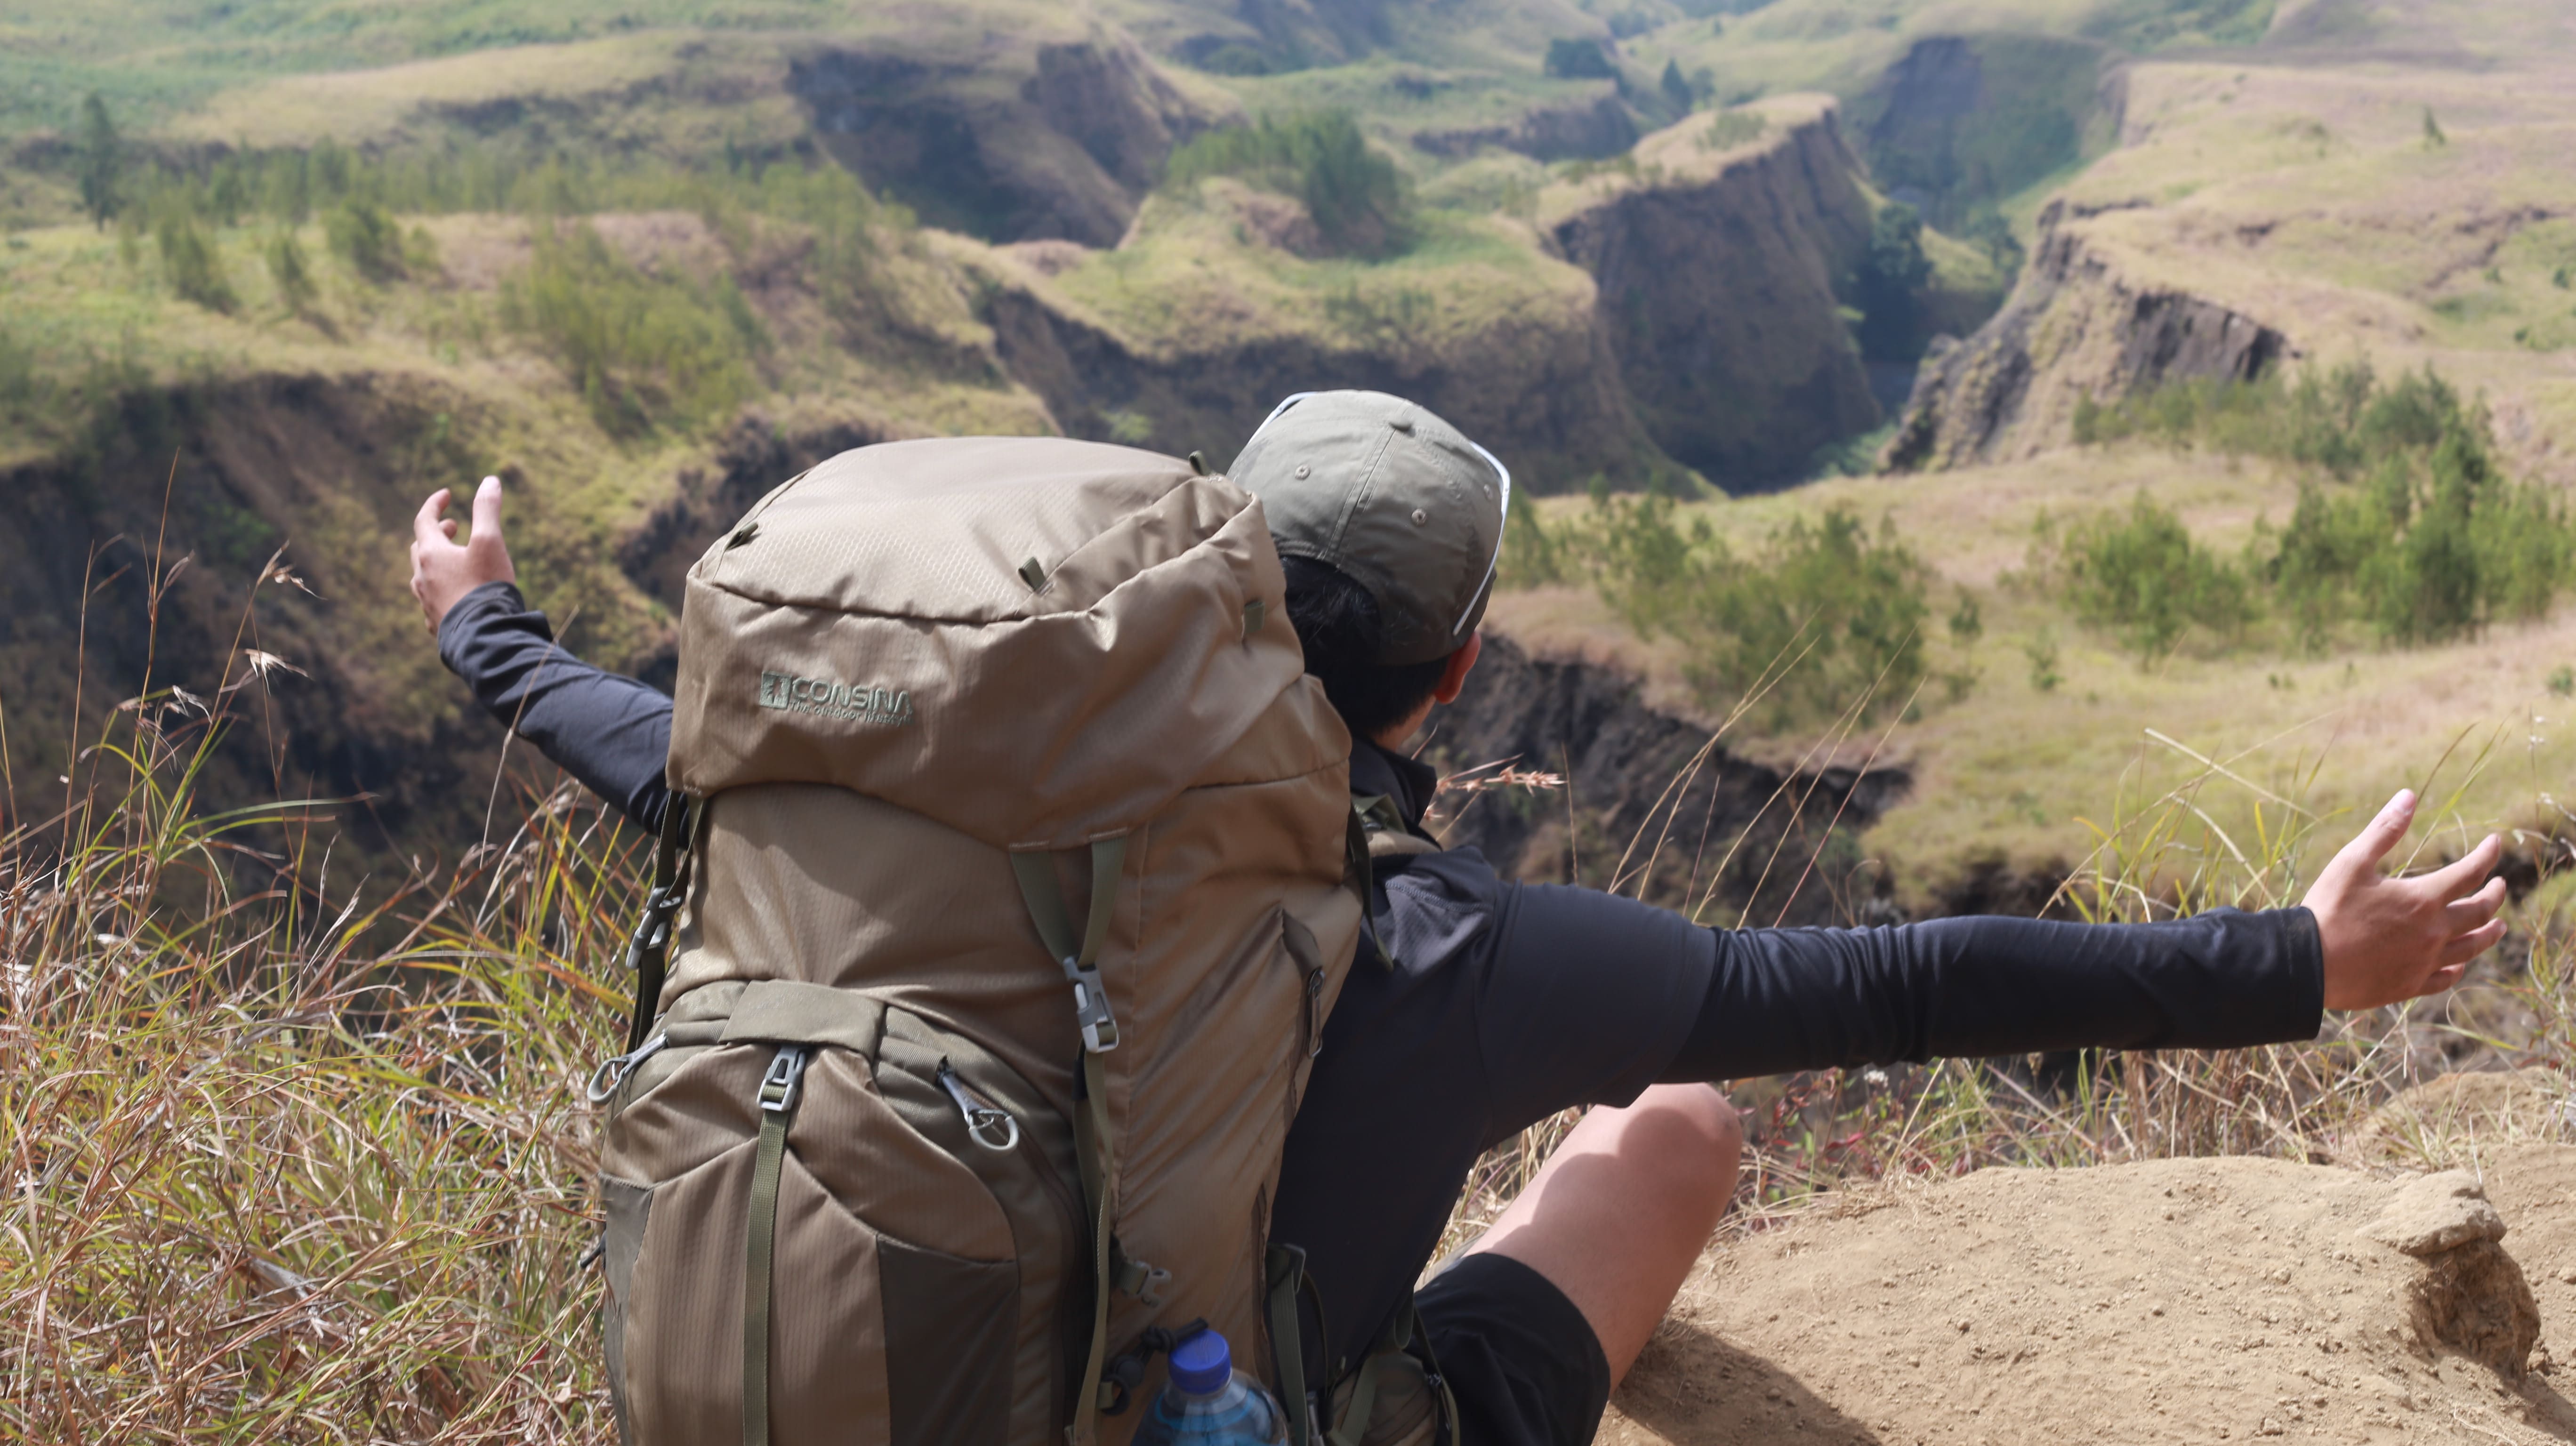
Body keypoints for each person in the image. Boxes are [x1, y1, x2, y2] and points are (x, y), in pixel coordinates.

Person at [411, 391, 2506, 1446]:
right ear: (1457, 678)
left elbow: (619, 725)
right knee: (1671, 1127)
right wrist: (2297, 962)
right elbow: (1902, 980)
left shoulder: (895, 792)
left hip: (860, 1354)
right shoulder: (1451, 944)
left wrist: (478, 618)